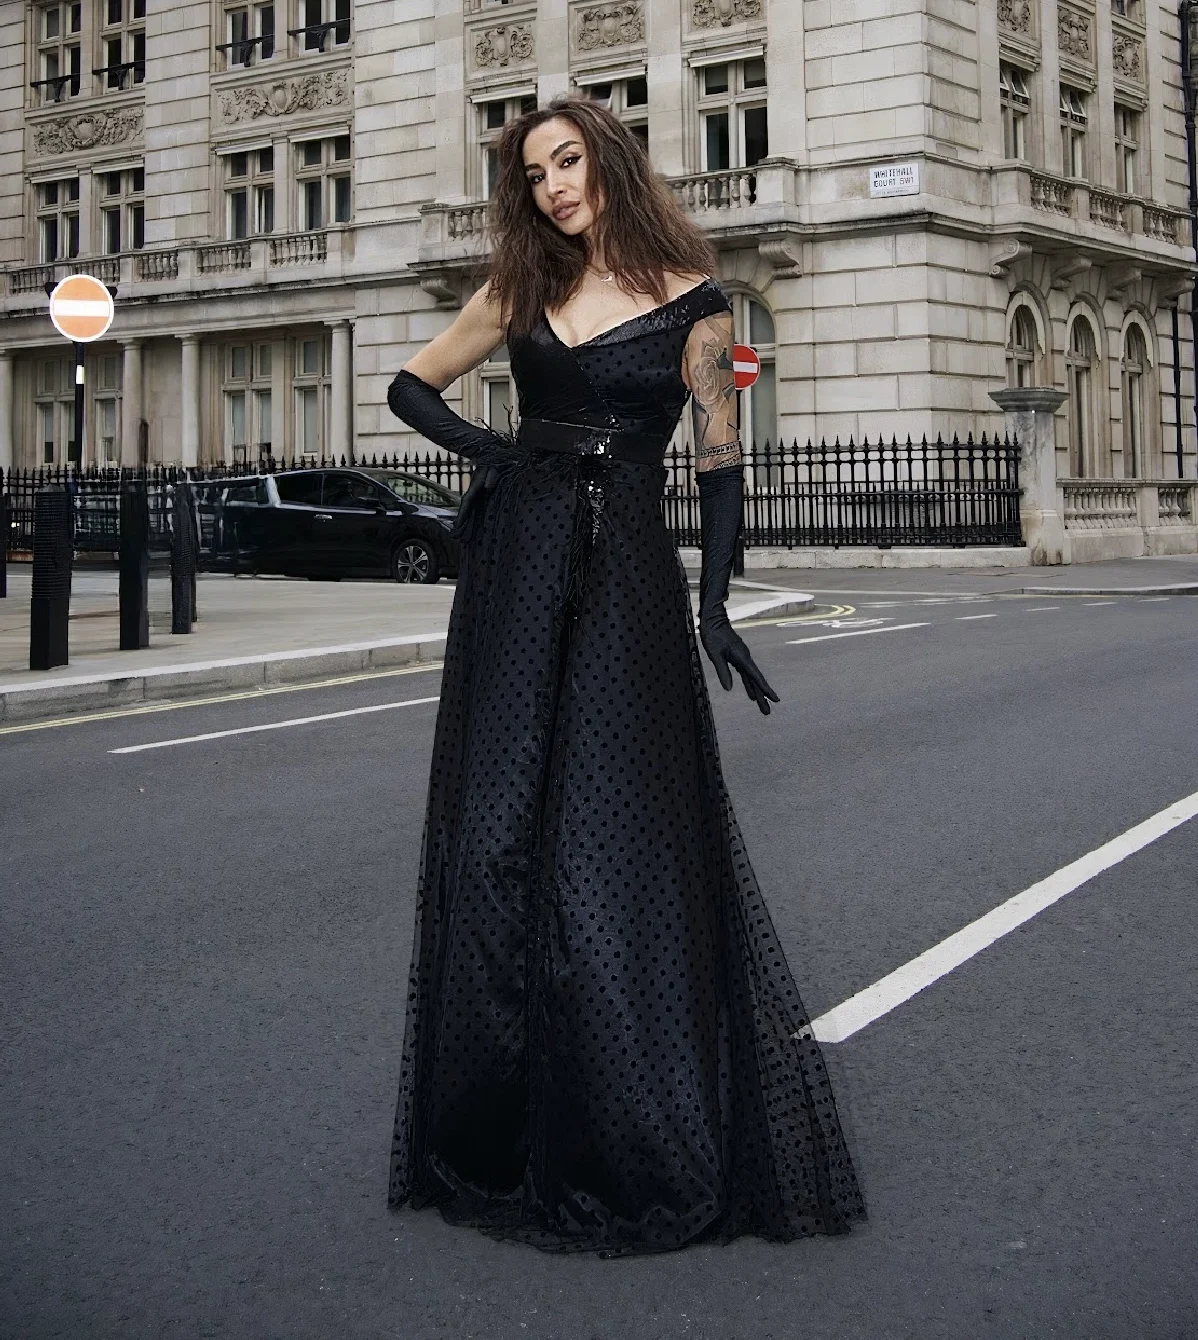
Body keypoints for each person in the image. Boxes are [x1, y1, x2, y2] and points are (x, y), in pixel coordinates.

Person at [386, 96, 863, 1256]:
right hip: (515, 568)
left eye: (568, 160)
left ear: (609, 161)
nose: (552, 186)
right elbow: (411, 386)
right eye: (532, 171)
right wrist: (504, 456)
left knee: (612, 847)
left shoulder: (701, 306)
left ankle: (629, 1130)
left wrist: (714, 603)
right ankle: (496, 1129)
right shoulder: (517, 285)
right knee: (499, 837)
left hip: (628, 581)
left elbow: (717, 465)